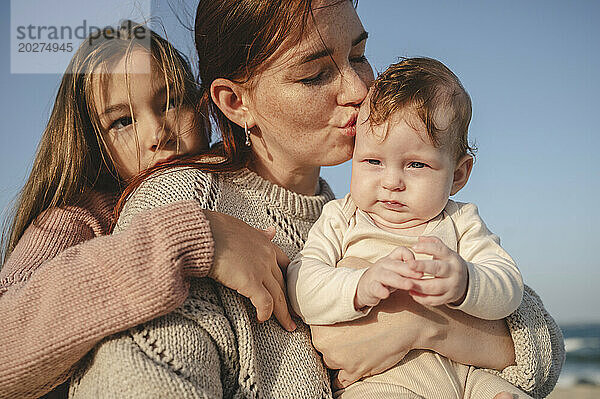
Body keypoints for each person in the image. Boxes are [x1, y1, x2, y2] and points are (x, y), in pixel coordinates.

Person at [68, 1, 563, 399]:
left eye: (359, 55)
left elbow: (542, 344)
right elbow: (142, 373)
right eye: (314, 75)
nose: (357, 89)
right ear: (236, 102)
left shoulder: (361, 202)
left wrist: (419, 327)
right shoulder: (184, 205)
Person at [0, 21, 295, 399]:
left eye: (171, 101)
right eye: (123, 121)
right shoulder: (76, 218)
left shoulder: (245, 183)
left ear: (202, 106)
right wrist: (187, 238)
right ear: (93, 144)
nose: (157, 132)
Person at [287, 57, 530, 398]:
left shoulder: (460, 221)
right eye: (373, 161)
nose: (390, 182)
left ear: (458, 174)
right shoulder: (340, 217)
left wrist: (467, 282)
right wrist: (360, 285)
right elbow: (301, 284)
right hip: (379, 382)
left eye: (416, 164)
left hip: (466, 376)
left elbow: (509, 286)